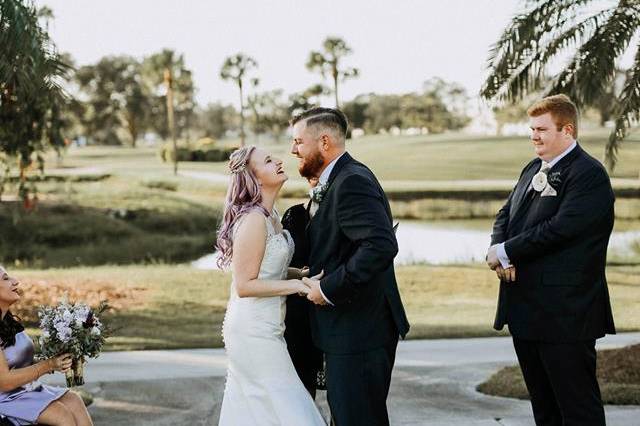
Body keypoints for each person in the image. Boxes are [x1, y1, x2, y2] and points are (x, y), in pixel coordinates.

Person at [486, 94, 615, 426]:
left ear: (567, 130)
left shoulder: (588, 174)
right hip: (526, 310)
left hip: (566, 313)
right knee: (544, 409)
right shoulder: (532, 168)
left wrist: (507, 251)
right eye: (532, 129)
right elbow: (505, 214)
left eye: (541, 129)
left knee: (577, 409)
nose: (534, 136)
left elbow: (560, 229)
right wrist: (500, 250)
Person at [291, 107, 410, 426]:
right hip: (349, 328)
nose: (293, 150)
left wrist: (328, 289)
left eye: (299, 142)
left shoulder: (351, 181)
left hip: (360, 331)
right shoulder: (339, 178)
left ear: (324, 141)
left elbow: (380, 245)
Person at [216, 146, 326, 425]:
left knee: (262, 409)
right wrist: (298, 287)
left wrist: (301, 274)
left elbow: (269, 269)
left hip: (269, 326)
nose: (278, 161)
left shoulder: (271, 216)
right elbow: (245, 285)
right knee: (290, 404)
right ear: (255, 178)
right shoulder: (253, 220)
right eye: (267, 161)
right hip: (252, 329)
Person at [0, 266, 93, 426]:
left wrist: (57, 359)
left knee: (74, 401)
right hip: (4, 398)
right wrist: (48, 365)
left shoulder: (9, 323)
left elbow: (16, 361)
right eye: (6, 278)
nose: (16, 281)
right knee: (61, 415)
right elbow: (4, 381)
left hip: (22, 390)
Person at [281, 177, 323, 399]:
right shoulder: (293, 215)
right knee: (299, 390)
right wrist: (299, 276)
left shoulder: (340, 216)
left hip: (330, 307)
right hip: (297, 314)